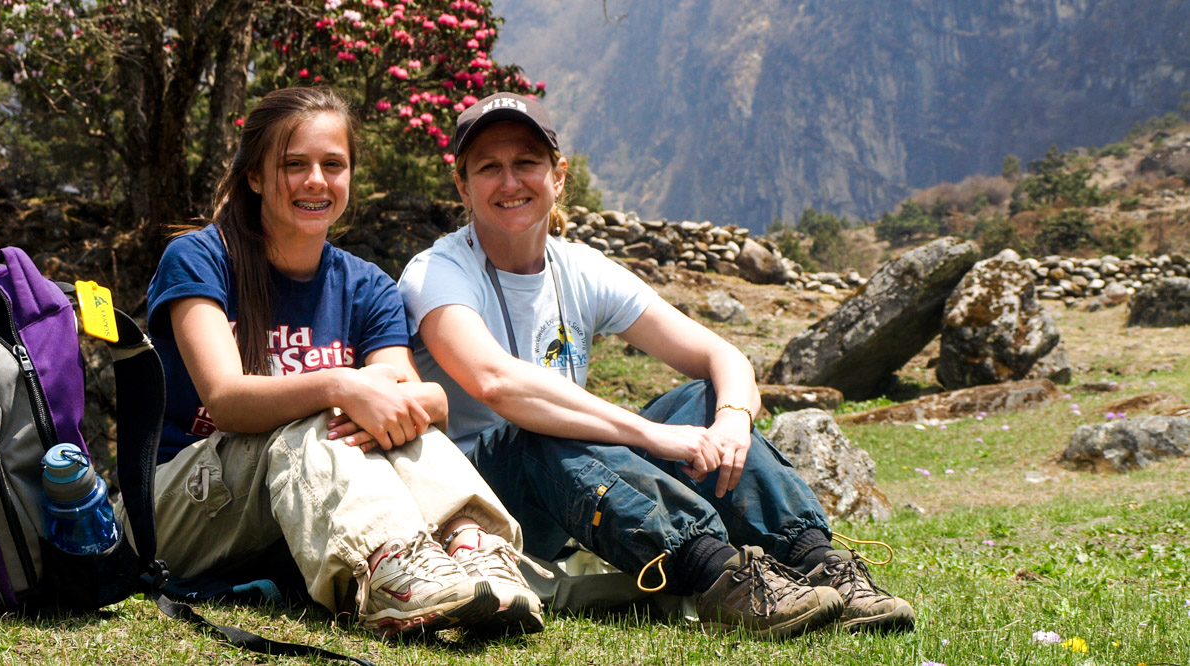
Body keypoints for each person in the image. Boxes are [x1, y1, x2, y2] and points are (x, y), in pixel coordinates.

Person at [398, 92, 915, 637]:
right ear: (462, 185)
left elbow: (723, 356)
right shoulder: (436, 273)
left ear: (558, 175)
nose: (510, 183)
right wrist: (651, 435)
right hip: (485, 502)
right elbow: (496, 383)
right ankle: (720, 575)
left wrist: (733, 420)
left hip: (569, 483)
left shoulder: (581, 267)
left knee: (703, 398)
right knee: (535, 425)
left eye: (526, 162)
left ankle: (818, 561)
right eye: (488, 168)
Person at [120, 87, 545, 638]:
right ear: (254, 176)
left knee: (373, 414)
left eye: (333, 164)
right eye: (293, 165)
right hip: (178, 508)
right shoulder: (201, 259)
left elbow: (418, 402)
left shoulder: (366, 285)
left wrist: (394, 397)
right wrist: (342, 385)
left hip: (291, 506)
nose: (316, 180)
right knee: (317, 417)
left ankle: (476, 547)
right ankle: (388, 569)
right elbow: (225, 401)